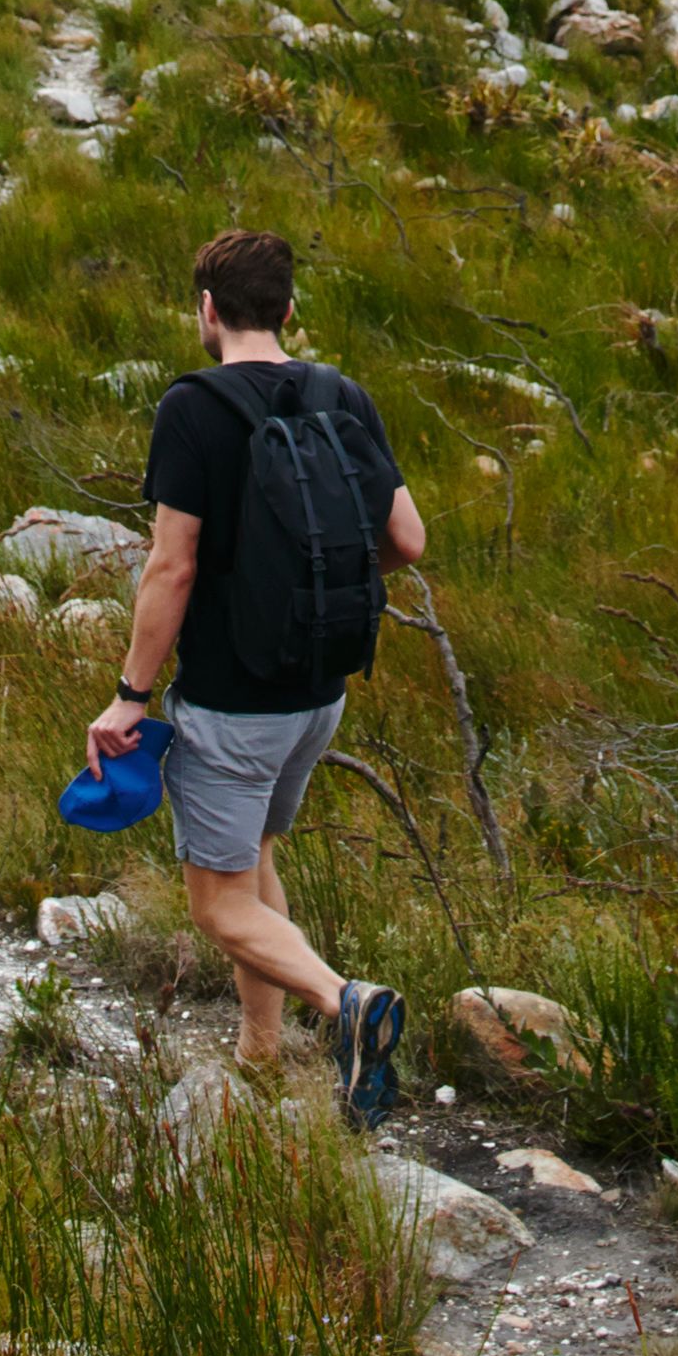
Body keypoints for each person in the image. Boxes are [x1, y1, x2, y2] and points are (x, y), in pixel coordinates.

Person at [87, 226, 422, 1118]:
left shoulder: (190, 408)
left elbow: (172, 567)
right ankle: (262, 1053)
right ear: (288, 308)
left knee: (215, 905)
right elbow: (408, 541)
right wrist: (320, 588)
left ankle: (344, 1002)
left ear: (207, 309)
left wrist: (130, 697)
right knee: (256, 859)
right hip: (318, 695)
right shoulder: (339, 393)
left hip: (233, 702)